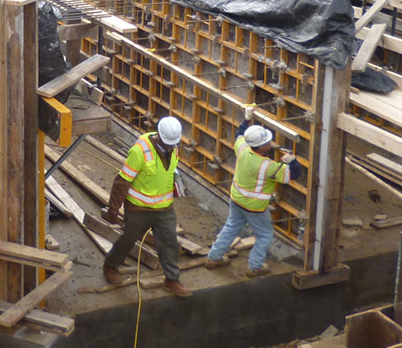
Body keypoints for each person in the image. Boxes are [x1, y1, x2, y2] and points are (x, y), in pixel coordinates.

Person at [204, 107, 304, 277]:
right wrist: (293, 162)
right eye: (267, 142)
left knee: (231, 227)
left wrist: (246, 119)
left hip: (236, 199)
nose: (270, 143)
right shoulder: (267, 166)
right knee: (265, 235)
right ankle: (255, 267)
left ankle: (213, 258)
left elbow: (239, 135)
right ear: (261, 147)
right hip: (254, 208)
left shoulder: (243, 149)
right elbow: (293, 175)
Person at [103, 116, 191, 297]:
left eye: (173, 144)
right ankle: (111, 266)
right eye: (168, 143)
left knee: (169, 243)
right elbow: (122, 181)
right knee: (128, 239)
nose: (170, 147)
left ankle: (172, 280)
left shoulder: (173, 148)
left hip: (164, 208)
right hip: (139, 208)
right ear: (158, 134)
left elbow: (168, 172)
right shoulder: (141, 150)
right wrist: (113, 209)